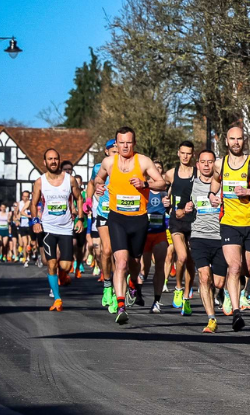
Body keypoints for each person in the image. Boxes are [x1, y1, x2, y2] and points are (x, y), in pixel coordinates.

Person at [92, 127, 167, 324]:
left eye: (129, 142)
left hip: (139, 219)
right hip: (117, 218)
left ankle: (133, 282)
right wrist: (99, 185)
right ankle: (121, 305)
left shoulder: (143, 161)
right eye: (121, 143)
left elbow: (162, 183)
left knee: (135, 262)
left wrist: (145, 184)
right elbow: (98, 178)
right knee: (121, 262)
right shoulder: (109, 162)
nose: (125, 146)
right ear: (116, 144)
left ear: (134, 143)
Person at [218, 126, 250, 330]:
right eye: (232, 139)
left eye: (239, 139)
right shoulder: (220, 164)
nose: (236, 142)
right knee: (234, 267)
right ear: (226, 141)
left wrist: (247, 190)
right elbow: (215, 183)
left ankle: (234, 292)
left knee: (247, 270)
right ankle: (236, 311)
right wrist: (214, 195)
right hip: (229, 223)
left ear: (243, 141)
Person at [29, 149, 84, 311]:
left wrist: (80, 218)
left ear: (59, 161)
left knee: (66, 266)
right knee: (50, 263)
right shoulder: (40, 182)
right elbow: (34, 203)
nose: (53, 161)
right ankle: (57, 298)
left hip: (66, 228)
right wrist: (35, 221)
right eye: (50, 159)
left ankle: (63, 275)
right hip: (48, 228)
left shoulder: (70, 180)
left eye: (55, 159)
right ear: (44, 162)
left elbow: (79, 198)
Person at [176, 149, 223, 333]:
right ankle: (211, 319)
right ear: (197, 165)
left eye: (210, 162)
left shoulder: (222, 184)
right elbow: (177, 213)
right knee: (204, 277)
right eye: (203, 162)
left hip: (221, 237)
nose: (206, 165)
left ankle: (220, 294)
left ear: (215, 165)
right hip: (199, 237)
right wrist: (185, 210)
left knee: (218, 282)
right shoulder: (190, 187)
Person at [164, 141, 198, 313]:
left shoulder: (197, 174)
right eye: (183, 153)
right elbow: (164, 189)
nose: (185, 156)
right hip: (176, 220)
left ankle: (186, 297)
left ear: (192, 155)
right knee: (182, 256)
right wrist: (165, 201)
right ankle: (178, 287)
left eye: (188, 153)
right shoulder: (171, 174)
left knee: (191, 261)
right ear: (178, 153)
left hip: (194, 220)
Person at [92, 139, 118, 312]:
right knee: (107, 250)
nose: (117, 153)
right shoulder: (98, 167)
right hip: (103, 212)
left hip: (121, 213)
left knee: (120, 255)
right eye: (113, 151)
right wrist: (92, 198)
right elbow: (94, 183)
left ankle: (118, 292)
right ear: (107, 151)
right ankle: (108, 286)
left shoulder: (126, 166)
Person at [142, 176, 172, 313]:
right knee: (144, 269)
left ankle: (156, 301)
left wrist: (169, 206)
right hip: (144, 234)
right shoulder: (143, 190)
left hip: (160, 233)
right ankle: (134, 288)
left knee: (160, 266)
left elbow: (171, 211)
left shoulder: (165, 193)